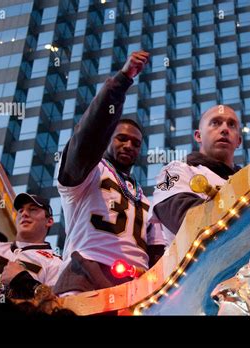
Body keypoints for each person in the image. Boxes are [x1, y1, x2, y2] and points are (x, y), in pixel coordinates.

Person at [54, 51, 165, 296]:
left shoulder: (144, 199)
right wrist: (122, 81)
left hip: (136, 289)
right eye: (121, 138)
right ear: (108, 140)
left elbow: (159, 252)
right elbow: (90, 134)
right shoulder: (87, 173)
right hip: (85, 278)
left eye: (136, 144)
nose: (129, 146)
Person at [148, 105, 243, 246]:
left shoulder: (248, 181)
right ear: (198, 136)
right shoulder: (176, 170)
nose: (224, 129)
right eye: (215, 123)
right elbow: (185, 220)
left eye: (231, 125)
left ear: (239, 141)